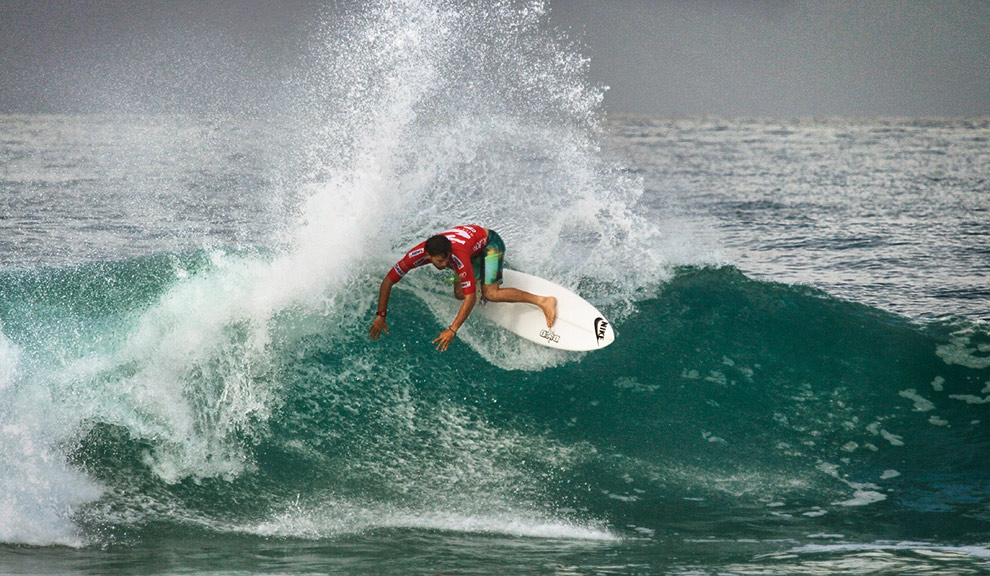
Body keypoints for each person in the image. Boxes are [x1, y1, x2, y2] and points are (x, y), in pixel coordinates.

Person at [369, 224, 556, 351]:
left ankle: (543, 301)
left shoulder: (456, 257)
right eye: (440, 261)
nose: (443, 264)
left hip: (490, 243)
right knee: (459, 293)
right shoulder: (415, 255)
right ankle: (482, 274)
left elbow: (471, 299)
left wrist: (452, 330)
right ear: (428, 255)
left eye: (446, 259)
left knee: (490, 294)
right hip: (471, 249)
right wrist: (381, 315)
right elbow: (388, 281)